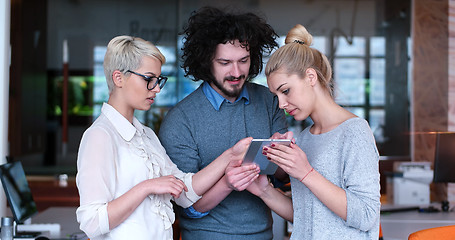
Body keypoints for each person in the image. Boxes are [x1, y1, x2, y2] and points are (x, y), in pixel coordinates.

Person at [75, 35, 259, 240]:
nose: (156, 89)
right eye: (148, 79)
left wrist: (230, 156)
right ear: (119, 78)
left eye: (158, 80)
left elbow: (183, 191)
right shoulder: (99, 136)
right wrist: (147, 186)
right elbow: (91, 222)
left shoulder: (146, 135)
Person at [158, 6, 289, 240]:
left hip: (264, 235)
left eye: (244, 61)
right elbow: (186, 207)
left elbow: (280, 178)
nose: (236, 72)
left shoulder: (270, 101)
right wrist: (227, 183)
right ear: (207, 61)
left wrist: (281, 155)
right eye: (225, 62)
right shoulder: (181, 120)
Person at [246, 24, 381, 239]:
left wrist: (306, 172)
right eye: (276, 96)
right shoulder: (304, 138)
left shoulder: (355, 132)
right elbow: (308, 217)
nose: (281, 104)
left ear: (310, 77)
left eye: (286, 91)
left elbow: (367, 216)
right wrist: (264, 190)